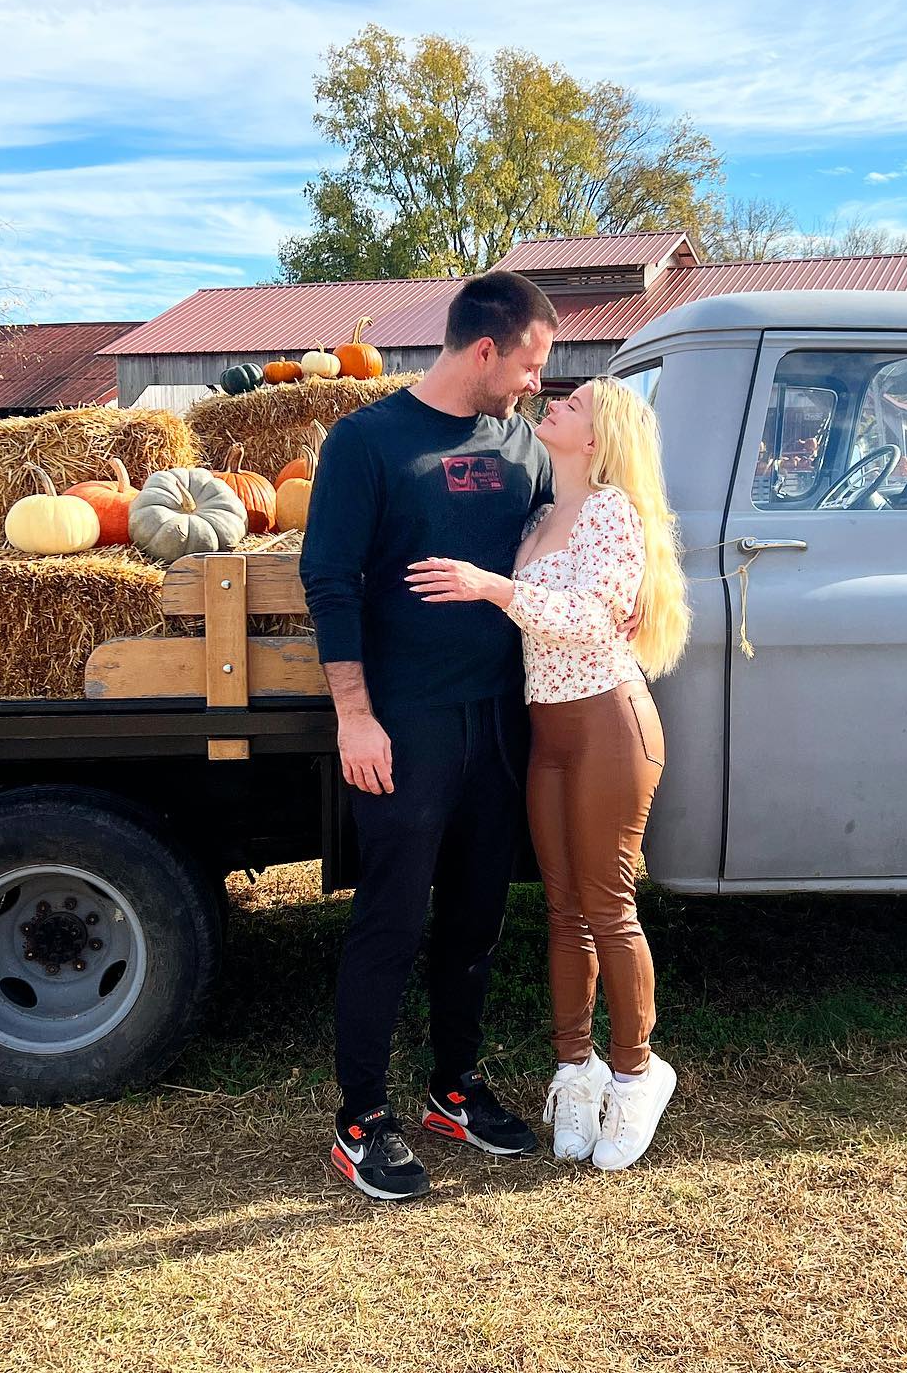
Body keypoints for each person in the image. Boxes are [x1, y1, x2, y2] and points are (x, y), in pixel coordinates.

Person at [300, 270, 557, 1202]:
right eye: (530, 363)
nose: (536, 382)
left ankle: (454, 1087)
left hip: (499, 721)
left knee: (478, 918)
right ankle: (361, 1117)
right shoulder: (367, 441)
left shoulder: (524, 445)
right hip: (404, 723)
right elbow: (328, 581)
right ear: (484, 350)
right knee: (391, 920)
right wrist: (355, 715)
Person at [406, 377, 690, 1171]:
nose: (556, 404)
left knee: (609, 904)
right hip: (550, 731)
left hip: (608, 725)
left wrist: (493, 587)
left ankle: (637, 1072)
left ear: (599, 439)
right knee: (563, 908)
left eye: (575, 405)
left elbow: (588, 616)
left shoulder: (611, 513)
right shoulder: (539, 515)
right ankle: (576, 1069)